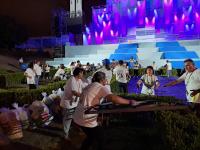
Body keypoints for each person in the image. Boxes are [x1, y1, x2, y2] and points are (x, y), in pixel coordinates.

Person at [73, 71, 137, 150]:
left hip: (77, 116)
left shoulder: (90, 86)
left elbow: (94, 99)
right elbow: (113, 98)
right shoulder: (100, 87)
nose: (106, 80)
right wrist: (129, 102)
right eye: (105, 79)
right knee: (101, 138)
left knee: (91, 137)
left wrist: (114, 101)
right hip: (86, 118)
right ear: (102, 80)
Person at [60, 67, 86, 140]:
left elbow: (84, 86)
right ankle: (65, 135)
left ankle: (74, 130)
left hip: (74, 103)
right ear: (78, 73)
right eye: (82, 73)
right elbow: (74, 92)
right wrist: (84, 96)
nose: (83, 74)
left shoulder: (79, 80)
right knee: (67, 120)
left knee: (76, 117)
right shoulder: (72, 80)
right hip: (68, 104)